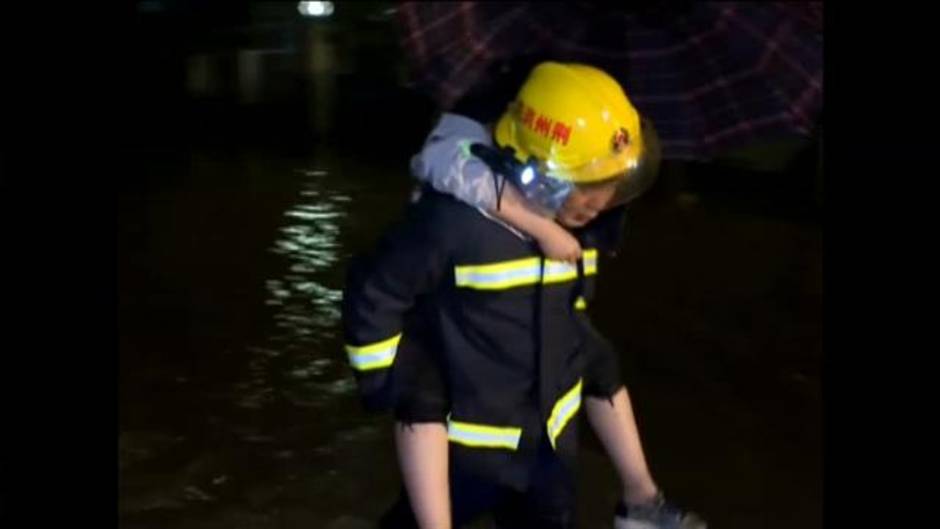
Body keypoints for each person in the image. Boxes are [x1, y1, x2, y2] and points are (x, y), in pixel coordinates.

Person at [342, 62, 706, 529]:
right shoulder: (452, 223)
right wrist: (390, 377)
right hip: (468, 448)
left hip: (548, 447)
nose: (602, 203)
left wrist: (585, 362)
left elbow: (570, 312)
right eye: (589, 191)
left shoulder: (586, 230)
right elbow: (373, 294)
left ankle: (642, 504)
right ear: (540, 173)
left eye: (611, 189)